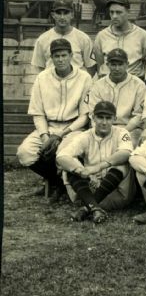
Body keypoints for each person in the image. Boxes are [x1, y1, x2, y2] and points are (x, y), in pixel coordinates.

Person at [16, 39, 93, 203]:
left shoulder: (84, 78)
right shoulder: (42, 78)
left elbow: (84, 116)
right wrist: (44, 137)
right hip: (48, 126)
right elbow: (38, 113)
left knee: (62, 154)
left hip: (73, 127)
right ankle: (57, 183)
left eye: (64, 55)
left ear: (71, 55)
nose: (61, 59)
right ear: (51, 58)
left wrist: (60, 135)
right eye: (56, 56)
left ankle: (61, 186)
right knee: (24, 153)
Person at [56, 101, 135, 223]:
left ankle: (87, 207)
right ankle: (95, 209)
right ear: (93, 118)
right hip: (88, 189)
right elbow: (61, 156)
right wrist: (81, 170)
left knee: (122, 165)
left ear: (114, 118)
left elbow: (125, 153)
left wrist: (98, 167)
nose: (104, 122)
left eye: (108, 118)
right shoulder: (85, 136)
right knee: (69, 168)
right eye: (100, 117)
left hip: (115, 193)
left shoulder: (122, 132)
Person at [86, 48, 146, 147]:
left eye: (120, 64)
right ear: (107, 65)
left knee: (128, 147)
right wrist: (102, 131)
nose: (117, 68)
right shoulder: (98, 85)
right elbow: (93, 113)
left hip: (129, 128)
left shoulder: (138, 84)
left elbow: (139, 115)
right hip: (102, 127)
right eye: (113, 64)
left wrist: (122, 132)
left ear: (127, 64)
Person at [92, 0, 146, 79]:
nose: (114, 16)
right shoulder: (101, 36)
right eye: (111, 12)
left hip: (134, 82)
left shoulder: (142, 35)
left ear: (128, 12)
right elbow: (100, 65)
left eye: (118, 12)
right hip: (109, 82)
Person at [30, 0, 95, 74]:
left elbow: (91, 66)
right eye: (58, 13)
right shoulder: (43, 39)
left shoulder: (83, 38)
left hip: (76, 83)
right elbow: (39, 67)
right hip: (51, 83)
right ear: (53, 15)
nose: (62, 17)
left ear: (72, 15)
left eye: (66, 13)